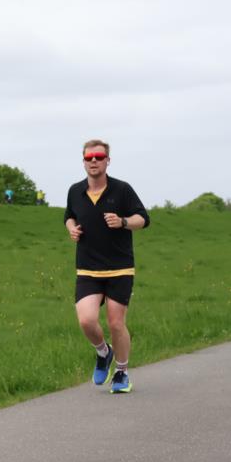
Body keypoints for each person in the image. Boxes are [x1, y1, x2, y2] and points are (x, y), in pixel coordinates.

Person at [64, 140, 149, 393]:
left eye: (99, 157)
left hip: (119, 267)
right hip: (88, 268)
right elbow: (68, 215)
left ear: (107, 161)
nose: (94, 161)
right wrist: (72, 229)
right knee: (87, 321)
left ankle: (122, 373)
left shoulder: (122, 190)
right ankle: (104, 353)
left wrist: (123, 221)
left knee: (115, 322)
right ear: (83, 161)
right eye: (89, 157)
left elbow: (143, 219)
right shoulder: (75, 191)